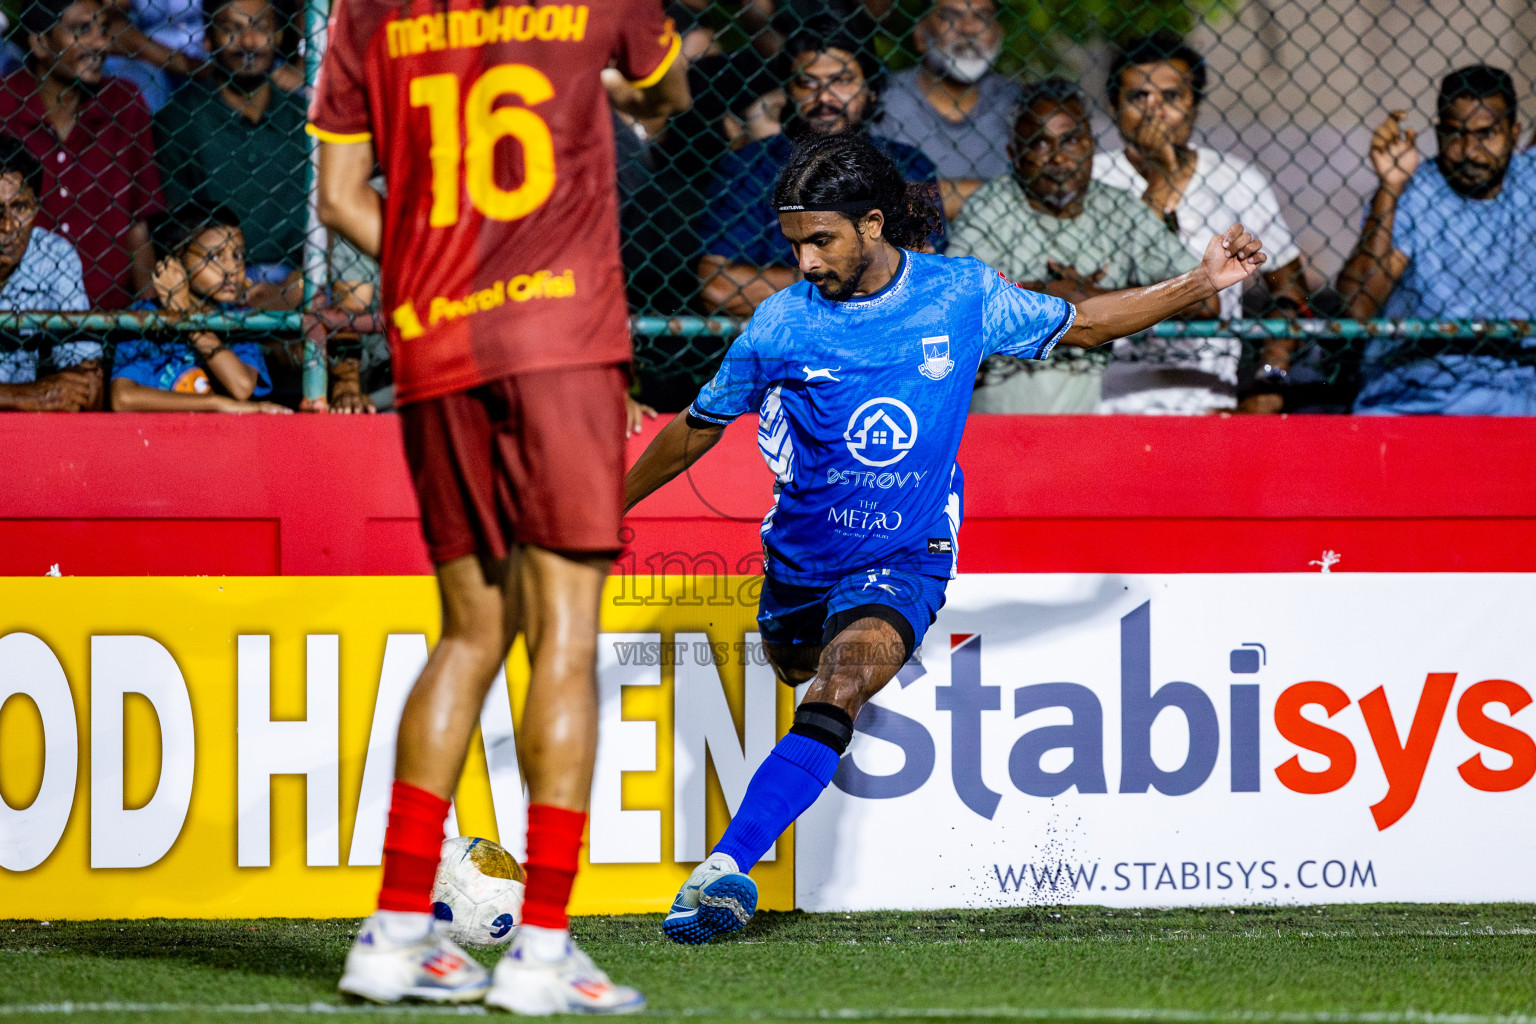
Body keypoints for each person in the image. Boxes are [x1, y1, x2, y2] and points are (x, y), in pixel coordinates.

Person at [624, 131, 1266, 943]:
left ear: (874, 223)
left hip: (906, 554)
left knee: (839, 685)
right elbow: (695, 428)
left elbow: (1089, 324)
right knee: (803, 673)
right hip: (800, 561)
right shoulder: (779, 325)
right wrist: (610, 503)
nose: (807, 261)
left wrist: (1202, 280)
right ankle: (797, 733)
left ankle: (724, 869)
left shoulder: (959, 295)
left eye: (820, 240)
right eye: (793, 245)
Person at [308, 0, 690, 1011]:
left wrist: (444, 268)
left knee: (467, 633)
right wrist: (615, 84)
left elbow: (340, 195)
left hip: (436, 342)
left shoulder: (362, 11)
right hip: (561, 336)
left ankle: (393, 936)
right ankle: (543, 951)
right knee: (561, 638)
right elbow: (670, 92)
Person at [949, 78, 1206, 413]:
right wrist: (1055, 295)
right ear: (1014, 154)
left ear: (1091, 147)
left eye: (1071, 141)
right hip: (998, 412)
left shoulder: (1118, 209)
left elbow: (1203, 298)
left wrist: (1092, 298)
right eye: (1040, 145)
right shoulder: (992, 205)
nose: (1059, 158)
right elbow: (954, 300)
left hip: (1094, 414)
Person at [1094, 33, 1309, 414]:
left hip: (1209, 401)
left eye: (1171, 97)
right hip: (1107, 402)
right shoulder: (1092, 178)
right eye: (1138, 97)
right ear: (1114, 106)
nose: (1154, 110)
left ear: (1193, 105)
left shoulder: (1237, 180)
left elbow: (1288, 288)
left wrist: (1270, 377)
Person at [697, 21, 940, 315]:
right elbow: (718, 287)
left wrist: (803, 281)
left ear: (871, 91)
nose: (824, 97)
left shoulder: (908, 165)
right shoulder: (751, 166)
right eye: (807, 83)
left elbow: (920, 275)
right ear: (788, 93)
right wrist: (863, 275)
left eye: (842, 81)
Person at [1337, 65, 1536, 415]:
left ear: (1514, 133)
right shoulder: (1417, 192)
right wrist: (1390, 187)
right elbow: (1359, 305)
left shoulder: (1529, 183)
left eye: (1486, 134)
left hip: (1517, 400)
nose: (1469, 152)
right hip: (1419, 400)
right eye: (1454, 134)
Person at [0, 0, 163, 308]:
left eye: (103, 30)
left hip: (111, 313)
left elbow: (138, 222)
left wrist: (147, 311)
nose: (99, 43)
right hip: (17, 310)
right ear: (40, 42)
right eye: (80, 30)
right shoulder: (5, 105)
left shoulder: (124, 105)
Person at [153, 0, 308, 309]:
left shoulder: (303, 119)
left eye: (260, 28)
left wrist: (295, 287)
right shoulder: (179, 119)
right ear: (208, 40)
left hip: (298, 277)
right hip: (213, 280)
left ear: (278, 36)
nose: (249, 41)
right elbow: (175, 228)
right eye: (231, 30)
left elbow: (325, 228)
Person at [109, 201, 287, 412]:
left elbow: (241, 386)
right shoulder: (146, 315)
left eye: (237, 255)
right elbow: (123, 398)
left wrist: (186, 314)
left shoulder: (238, 320)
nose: (232, 269)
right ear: (175, 261)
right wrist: (215, 404)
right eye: (214, 256)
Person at [875, 0, 1018, 219]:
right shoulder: (883, 101)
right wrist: (1006, 195)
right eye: (951, 16)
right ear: (921, 35)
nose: (969, 29)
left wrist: (922, 195)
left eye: (982, 16)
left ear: (999, 33)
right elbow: (881, 203)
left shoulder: (1016, 102)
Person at [0, 133, 101, 411]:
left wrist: (77, 388)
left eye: (19, 207)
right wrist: (23, 397)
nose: (8, 227)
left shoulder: (52, 255)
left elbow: (87, 382)